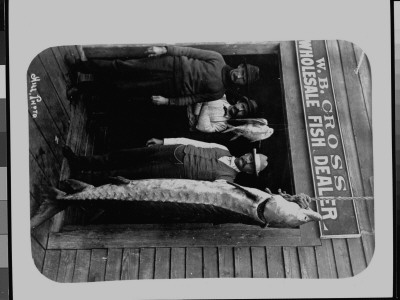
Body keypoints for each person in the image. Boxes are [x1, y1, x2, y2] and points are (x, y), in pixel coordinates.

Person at [65, 45, 260, 106]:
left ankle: (80, 89)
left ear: (241, 84)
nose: (238, 75)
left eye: (242, 78)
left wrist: (167, 101)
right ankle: (81, 66)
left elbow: (192, 99)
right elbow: (188, 51)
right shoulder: (218, 58)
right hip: (168, 64)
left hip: (168, 87)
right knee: (123, 66)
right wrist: (164, 49)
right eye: (242, 71)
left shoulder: (218, 93)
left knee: (122, 88)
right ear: (240, 66)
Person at [62, 137, 268, 185]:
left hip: (169, 172)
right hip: (169, 150)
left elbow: (191, 187)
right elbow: (191, 141)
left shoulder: (226, 181)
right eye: (250, 155)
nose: (247, 159)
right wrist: (164, 141)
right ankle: (81, 161)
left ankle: (82, 179)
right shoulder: (224, 148)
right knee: (124, 155)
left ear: (250, 172)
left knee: (127, 174)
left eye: (251, 163)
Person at [189, 95, 258, 133]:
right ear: (239, 102)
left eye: (243, 112)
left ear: (242, 117)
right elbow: (202, 96)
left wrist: (205, 104)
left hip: (185, 123)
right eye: (242, 106)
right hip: (186, 103)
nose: (239, 109)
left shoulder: (222, 125)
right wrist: (197, 115)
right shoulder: (221, 97)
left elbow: (202, 127)